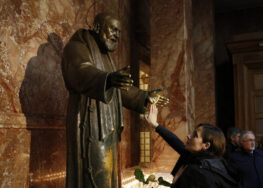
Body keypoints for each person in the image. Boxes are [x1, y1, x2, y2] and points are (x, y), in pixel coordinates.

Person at [61, 13, 168, 188]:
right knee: (95, 175)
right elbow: (80, 71)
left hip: (108, 127)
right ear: (97, 27)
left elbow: (119, 89)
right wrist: (107, 79)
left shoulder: (103, 55)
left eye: (119, 31)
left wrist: (144, 96)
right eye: (112, 29)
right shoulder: (76, 47)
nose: (117, 35)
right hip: (90, 127)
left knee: (108, 176)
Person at [145, 104, 238, 188]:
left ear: (206, 145)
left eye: (195, 135)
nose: (188, 136)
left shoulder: (199, 173)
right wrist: (155, 125)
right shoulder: (202, 159)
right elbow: (175, 142)